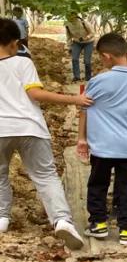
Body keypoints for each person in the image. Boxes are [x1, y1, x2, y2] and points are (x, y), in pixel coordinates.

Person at [0, 18, 87, 248]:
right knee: (45, 176)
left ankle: (2, 219)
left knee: (0, 175)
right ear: (14, 43)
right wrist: (74, 99)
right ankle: (61, 220)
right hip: (30, 127)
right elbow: (36, 95)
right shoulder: (22, 62)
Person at [77, 33, 127, 245]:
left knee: (98, 184)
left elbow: (84, 109)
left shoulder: (96, 81)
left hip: (102, 147)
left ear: (107, 56)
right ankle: (126, 229)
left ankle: (99, 224)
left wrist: (82, 138)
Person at [64, 12, 95, 82]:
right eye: (67, 16)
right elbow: (68, 36)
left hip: (88, 42)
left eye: (70, 15)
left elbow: (92, 33)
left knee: (87, 61)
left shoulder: (83, 22)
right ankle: (77, 77)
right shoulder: (67, 25)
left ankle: (88, 77)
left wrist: (86, 38)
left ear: (75, 15)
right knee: (74, 58)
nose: (69, 17)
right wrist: (69, 46)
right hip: (77, 42)